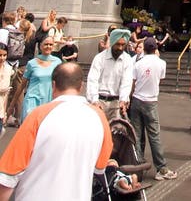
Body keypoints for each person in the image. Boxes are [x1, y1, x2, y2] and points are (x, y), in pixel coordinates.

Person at [0, 62, 112, 201]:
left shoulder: (38, 116)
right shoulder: (100, 118)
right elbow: (100, 167)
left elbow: (8, 176)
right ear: (81, 86)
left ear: (53, 85)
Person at [129, 37, 177, 181]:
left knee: (136, 135)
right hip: (151, 101)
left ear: (144, 49)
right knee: (154, 136)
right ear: (155, 48)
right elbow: (160, 79)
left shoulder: (138, 63)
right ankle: (161, 168)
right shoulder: (161, 63)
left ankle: (136, 166)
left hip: (137, 99)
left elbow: (133, 82)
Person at [86, 28, 134, 122]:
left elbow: (126, 82)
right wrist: (94, 101)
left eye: (123, 45)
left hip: (116, 104)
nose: (120, 48)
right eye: (118, 44)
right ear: (112, 42)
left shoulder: (127, 59)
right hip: (99, 101)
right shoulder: (100, 58)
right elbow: (93, 80)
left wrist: (123, 100)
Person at [20, 35, 61, 119]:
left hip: (48, 100)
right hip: (32, 99)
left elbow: (61, 82)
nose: (48, 46)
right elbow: (22, 85)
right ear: (40, 46)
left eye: (50, 44)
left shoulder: (57, 62)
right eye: (46, 44)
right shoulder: (32, 63)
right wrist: (11, 106)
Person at [0, 45, 12, 135]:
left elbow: (6, 94)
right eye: (0, 55)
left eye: (4, 55)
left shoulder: (8, 69)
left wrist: (4, 113)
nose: (2, 58)